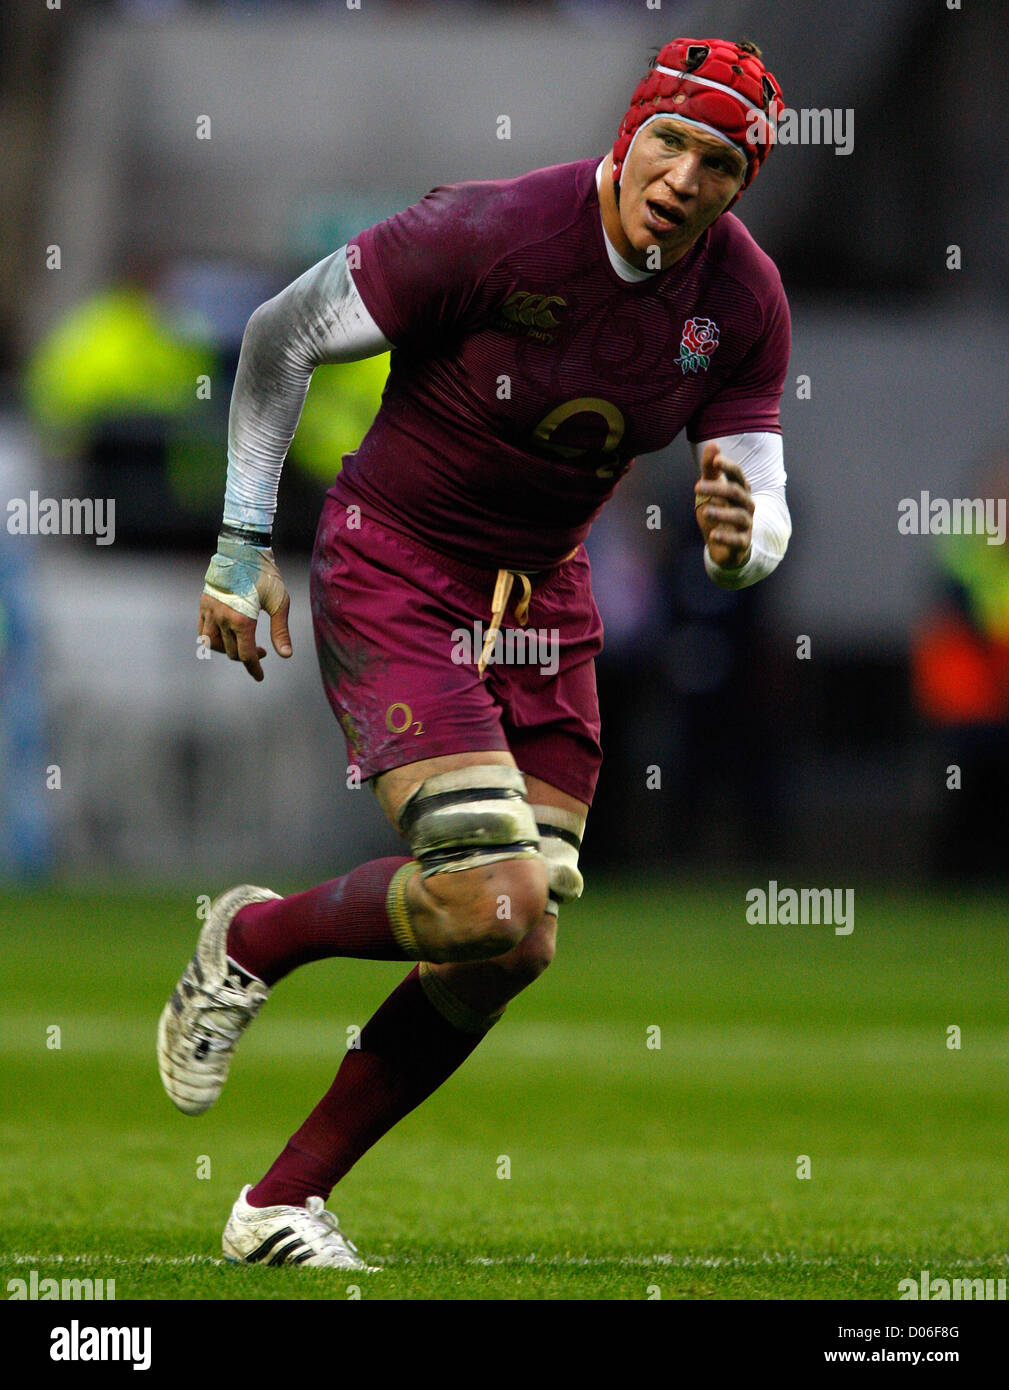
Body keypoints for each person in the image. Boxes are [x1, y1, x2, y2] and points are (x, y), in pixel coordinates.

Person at [158, 37, 793, 1269]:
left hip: (543, 605)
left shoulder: (742, 301)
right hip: (398, 564)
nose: (683, 175)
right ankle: (255, 941)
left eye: (720, 161)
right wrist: (241, 543)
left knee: (514, 939)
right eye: (670, 137)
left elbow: (758, 514)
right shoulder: (490, 229)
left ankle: (277, 1203)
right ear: (630, 129)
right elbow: (277, 337)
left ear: (741, 184)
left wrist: (736, 546)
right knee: (492, 896)